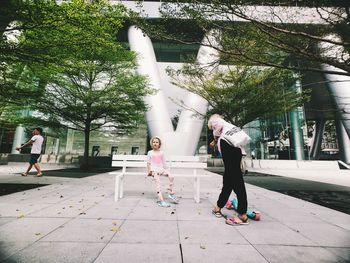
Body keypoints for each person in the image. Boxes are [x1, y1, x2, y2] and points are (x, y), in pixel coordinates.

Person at [208, 114, 249, 225]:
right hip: (236, 153)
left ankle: (242, 213)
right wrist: (216, 140)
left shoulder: (217, 122)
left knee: (237, 183)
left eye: (212, 127)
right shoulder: (228, 128)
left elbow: (217, 128)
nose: (213, 129)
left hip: (229, 154)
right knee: (228, 183)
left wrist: (215, 136)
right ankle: (218, 207)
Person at [147, 136, 179, 207]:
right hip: (154, 171)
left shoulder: (162, 153)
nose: (155, 143)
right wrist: (149, 171)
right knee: (158, 184)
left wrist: (167, 171)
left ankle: (170, 192)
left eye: (157, 142)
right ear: (152, 144)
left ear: (159, 144)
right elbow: (148, 163)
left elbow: (164, 163)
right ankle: (161, 201)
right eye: (154, 142)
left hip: (161, 169)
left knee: (171, 176)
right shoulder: (150, 152)